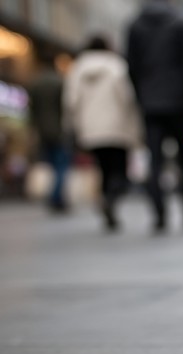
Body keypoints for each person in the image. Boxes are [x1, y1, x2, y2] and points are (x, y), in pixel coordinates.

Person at [126, 0, 183, 232]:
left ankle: (159, 213)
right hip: (179, 101)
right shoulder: (181, 22)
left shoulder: (135, 25)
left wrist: (141, 95)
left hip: (151, 102)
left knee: (155, 160)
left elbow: (131, 65)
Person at [63, 35, 141, 231]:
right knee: (119, 169)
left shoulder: (77, 68)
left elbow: (71, 101)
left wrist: (73, 125)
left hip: (91, 128)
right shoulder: (116, 65)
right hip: (117, 127)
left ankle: (106, 199)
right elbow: (126, 97)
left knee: (103, 168)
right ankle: (112, 197)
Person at [28, 53, 70, 213]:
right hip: (59, 130)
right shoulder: (59, 82)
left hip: (42, 130)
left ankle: (55, 196)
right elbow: (66, 107)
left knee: (52, 165)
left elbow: (32, 110)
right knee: (61, 166)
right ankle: (56, 198)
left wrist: (34, 129)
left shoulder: (35, 84)